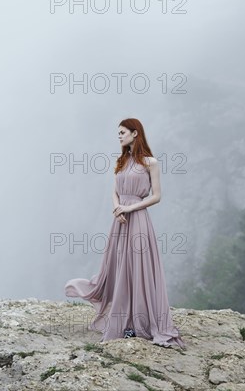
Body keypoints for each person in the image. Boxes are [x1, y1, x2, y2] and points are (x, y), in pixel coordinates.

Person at [64, 118, 186, 349]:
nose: (119, 136)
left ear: (135, 133)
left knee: (137, 269)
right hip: (120, 221)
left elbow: (156, 196)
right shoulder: (121, 161)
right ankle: (125, 324)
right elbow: (114, 191)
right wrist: (117, 208)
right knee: (120, 267)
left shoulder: (150, 162)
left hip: (138, 219)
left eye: (122, 132)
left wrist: (129, 208)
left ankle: (139, 325)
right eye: (118, 133)